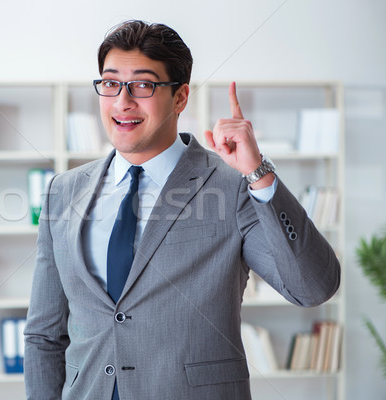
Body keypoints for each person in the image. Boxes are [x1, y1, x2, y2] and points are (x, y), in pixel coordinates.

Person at [23, 20, 340, 400]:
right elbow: (44, 334)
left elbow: (312, 288)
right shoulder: (64, 190)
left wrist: (259, 175)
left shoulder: (231, 185)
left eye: (143, 85)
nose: (123, 101)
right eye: (110, 83)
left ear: (180, 97)